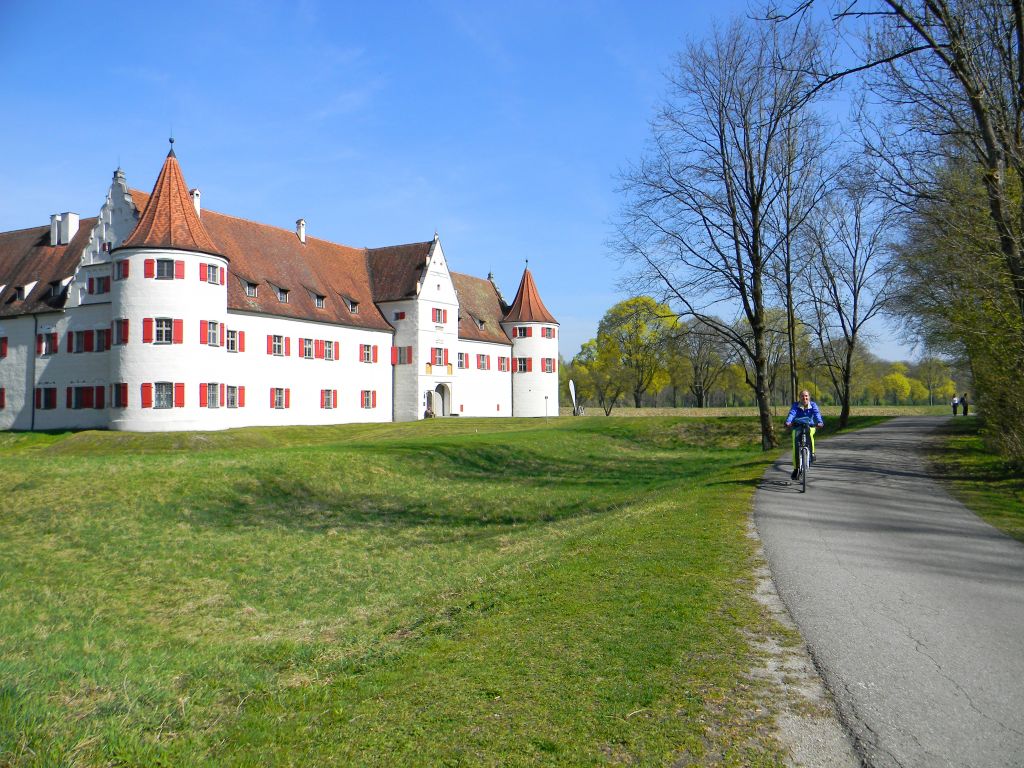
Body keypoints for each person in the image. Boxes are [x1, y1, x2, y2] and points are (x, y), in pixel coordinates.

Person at [785, 389, 824, 480]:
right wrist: (788, 422)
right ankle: (796, 469)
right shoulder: (796, 405)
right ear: (799, 398)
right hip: (797, 427)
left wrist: (819, 422)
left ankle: (812, 453)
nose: (804, 398)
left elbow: (817, 414)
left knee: (810, 433)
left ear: (809, 397)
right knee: (795, 446)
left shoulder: (813, 405)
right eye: (802, 396)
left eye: (806, 396)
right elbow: (792, 414)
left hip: (809, 426)